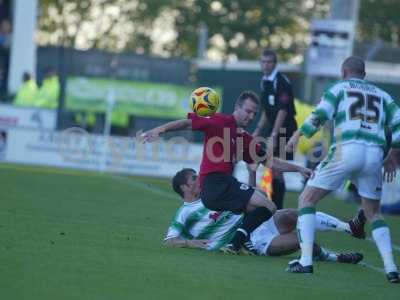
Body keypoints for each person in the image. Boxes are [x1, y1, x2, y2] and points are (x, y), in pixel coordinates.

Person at [141, 91, 312, 255]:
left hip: (220, 188)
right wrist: (158, 130)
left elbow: (270, 162)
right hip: (215, 183)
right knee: (268, 205)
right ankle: (238, 242)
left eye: (254, 114)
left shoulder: (243, 138)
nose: (251, 117)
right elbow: (187, 123)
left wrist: (298, 169)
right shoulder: (219, 121)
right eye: (248, 111)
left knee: (264, 208)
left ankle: (239, 241)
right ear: (237, 107)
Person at [285, 56, 400, 283]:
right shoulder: (383, 95)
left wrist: (297, 136)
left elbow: (319, 115)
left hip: (347, 149)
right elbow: (398, 121)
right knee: (373, 213)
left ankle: (305, 261)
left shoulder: (338, 88)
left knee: (307, 200)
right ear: (364, 74)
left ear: (343, 72)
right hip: (374, 154)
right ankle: (391, 269)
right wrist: (394, 153)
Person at [165, 168, 364, 265]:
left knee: (293, 214)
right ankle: (333, 257)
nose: (199, 178)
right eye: (194, 178)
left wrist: (253, 182)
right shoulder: (185, 212)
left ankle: (348, 226)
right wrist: (192, 243)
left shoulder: (213, 193)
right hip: (251, 242)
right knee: (299, 240)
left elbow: (245, 195)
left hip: (257, 223)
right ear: (184, 187)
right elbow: (169, 240)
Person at [252, 49, 297, 210]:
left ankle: (278, 209)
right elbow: (266, 109)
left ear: (275, 63)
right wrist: (258, 130)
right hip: (273, 128)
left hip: (285, 129)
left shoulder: (282, 81)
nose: (265, 65)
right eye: (263, 62)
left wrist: (274, 135)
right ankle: (274, 207)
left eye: (269, 62)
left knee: (277, 168)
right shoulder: (264, 81)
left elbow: (283, 111)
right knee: (270, 166)